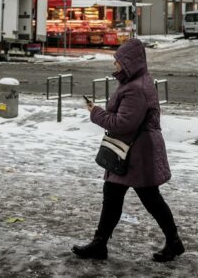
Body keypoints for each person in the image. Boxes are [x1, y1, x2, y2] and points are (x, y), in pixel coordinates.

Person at [72, 38, 185, 262]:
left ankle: (173, 241)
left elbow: (123, 124)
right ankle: (100, 244)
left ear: (129, 63)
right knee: (113, 195)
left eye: (118, 61)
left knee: (150, 199)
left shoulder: (136, 89)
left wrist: (96, 112)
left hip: (137, 153)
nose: (115, 65)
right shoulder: (133, 82)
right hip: (131, 151)